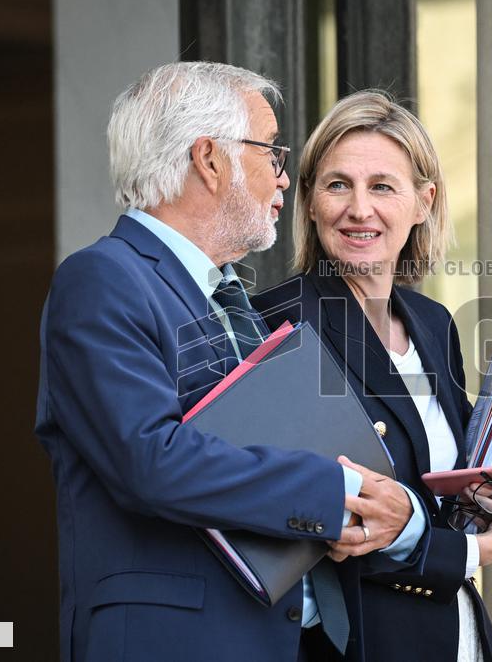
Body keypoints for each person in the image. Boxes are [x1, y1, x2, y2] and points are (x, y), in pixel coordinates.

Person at [34, 63, 429, 662]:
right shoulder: (103, 279)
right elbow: (150, 459)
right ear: (210, 160)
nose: (283, 177)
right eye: (270, 151)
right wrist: (338, 491)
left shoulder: (228, 296)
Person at [252, 90, 492, 662]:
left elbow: (432, 488)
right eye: (338, 184)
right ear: (311, 202)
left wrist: (485, 500)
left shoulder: (433, 322)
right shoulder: (281, 322)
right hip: (359, 642)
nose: (358, 209)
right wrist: (475, 551)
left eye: (382, 186)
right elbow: (341, 521)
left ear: (423, 202)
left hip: (455, 630)